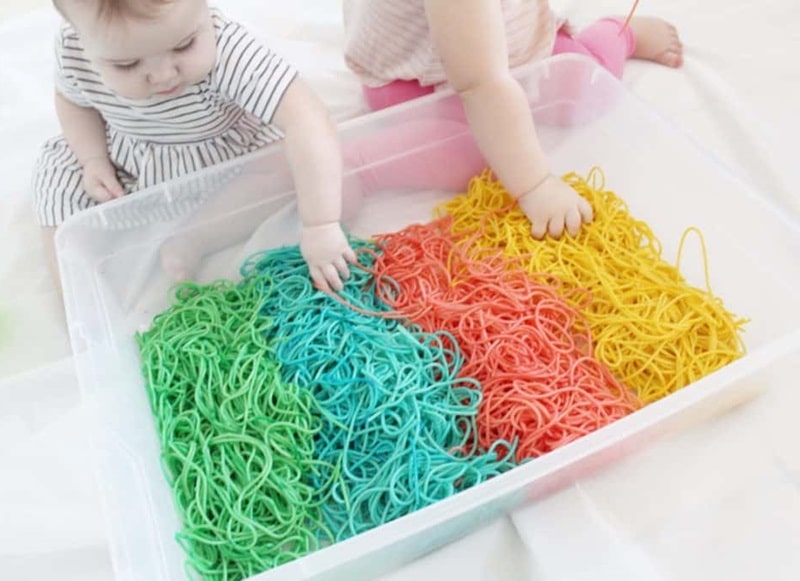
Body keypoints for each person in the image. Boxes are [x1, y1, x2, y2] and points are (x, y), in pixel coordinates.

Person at [34, 0, 355, 293]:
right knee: (55, 176)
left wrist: (320, 225)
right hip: (129, 165)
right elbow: (73, 101)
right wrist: (92, 157)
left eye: (184, 45)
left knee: (317, 172)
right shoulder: (74, 49)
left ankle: (195, 237)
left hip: (229, 164)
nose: (163, 75)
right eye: (128, 64)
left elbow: (306, 117)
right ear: (79, 35)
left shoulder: (229, 49)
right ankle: (81, 301)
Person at [342, 0, 683, 239]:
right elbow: (481, 85)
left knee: (588, 86)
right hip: (413, 75)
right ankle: (357, 164)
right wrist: (535, 185)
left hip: (514, 42)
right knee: (487, 150)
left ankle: (618, 33)